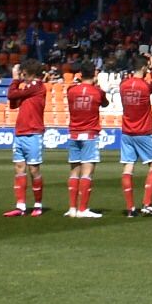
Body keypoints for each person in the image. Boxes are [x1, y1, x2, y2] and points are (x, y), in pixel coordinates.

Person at [114, 53, 152, 217]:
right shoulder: (145, 85)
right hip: (143, 131)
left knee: (128, 168)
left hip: (127, 131)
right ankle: (147, 204)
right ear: (144, 67)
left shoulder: (123, 85)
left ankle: (130, 209)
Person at [4, 59, 50, 218]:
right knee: (19, 168)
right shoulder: (27, 89)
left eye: (24, 73)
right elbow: (12, 102)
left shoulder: (36, 87)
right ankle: (21, 206)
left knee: (34, 169)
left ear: (31, 73)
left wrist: (15, 79)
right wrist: (17, 88)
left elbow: (11, 94)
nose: (22, 76)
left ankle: (38, 205)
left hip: (33, 132)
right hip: (20, 132)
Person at [63, 61, 107, 219]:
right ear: (94, 74)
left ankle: (72, 208)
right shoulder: (97, 92)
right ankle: (83, 209)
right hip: (89, 134)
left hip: (74, 133)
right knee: (87, 173)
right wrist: (97, 85)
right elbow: (105, 103)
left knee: (74, 172)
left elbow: (70, 90)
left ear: (80, 74)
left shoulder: (71, 90)